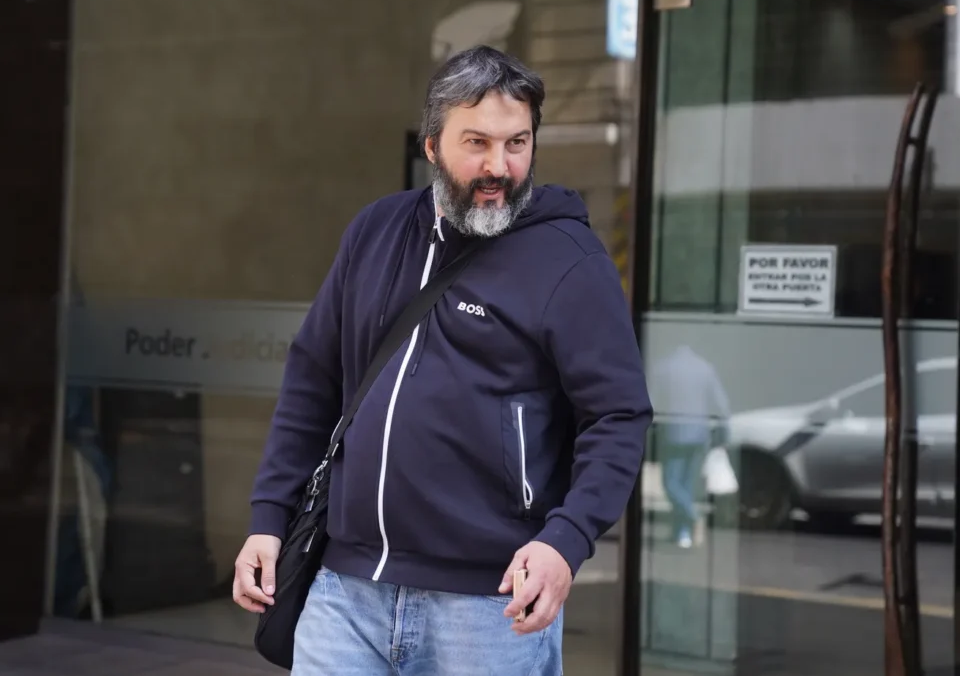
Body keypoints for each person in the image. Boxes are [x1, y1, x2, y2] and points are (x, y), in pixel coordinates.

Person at [232, 44, 653, 675]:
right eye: (476, 143)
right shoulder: (375, 232)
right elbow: (312, 383)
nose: (499, 166)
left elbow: (618, 416)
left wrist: (565, 542)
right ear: (431, 146)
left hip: (488, 605)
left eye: (517, 143)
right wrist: (269, 518)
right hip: (345, 591)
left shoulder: (571, 261)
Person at [651, 345, 730, 548]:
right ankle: (682, 533)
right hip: (699, 435)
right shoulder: (705, 368)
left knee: (671, 483)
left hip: (673, 434)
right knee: (686, 484)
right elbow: (722, 405)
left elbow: (651, 402)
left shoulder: (663, 367)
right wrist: (724, 433)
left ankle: (692, 517)